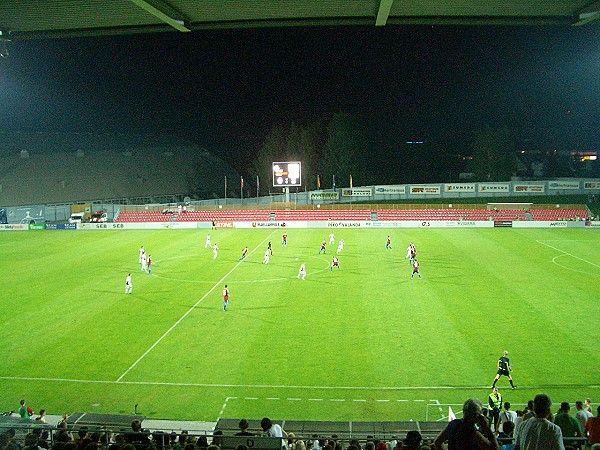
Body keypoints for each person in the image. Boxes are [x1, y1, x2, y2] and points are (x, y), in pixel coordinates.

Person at [434, 398, 499, 450]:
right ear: (476, 415)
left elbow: (437, 442)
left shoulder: (453, 424)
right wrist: (487, 429)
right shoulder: (474, 433)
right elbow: (496, 448)